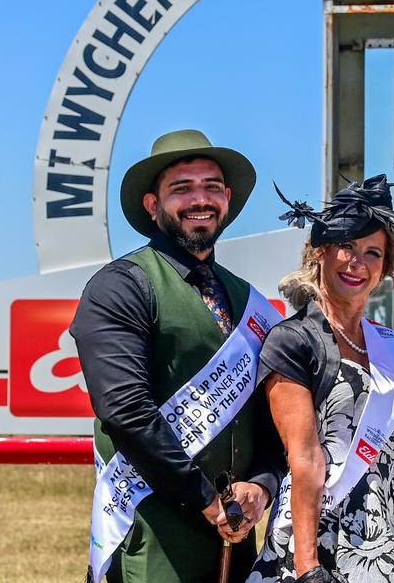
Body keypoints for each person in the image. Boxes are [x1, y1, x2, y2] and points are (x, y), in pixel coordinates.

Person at [73, 129, 285, 583]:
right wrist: (207, 499)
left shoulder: (247, 300)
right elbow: (125, 410)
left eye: (211, 186)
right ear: (153, 206)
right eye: (182, 189)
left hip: (235, 532)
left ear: (226, 198)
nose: (200, 199)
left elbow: (273, 414)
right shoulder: (120, 287)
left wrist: (262, 487)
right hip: (153, 528)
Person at [250, 175, 394, 583]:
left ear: (385, 268)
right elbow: (304, 458)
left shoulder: (393, 349)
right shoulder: (293, 340)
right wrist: (307, 566)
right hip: (320, 530)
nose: (358, 262)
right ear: (320, 252)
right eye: (347, 246)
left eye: (373, 252)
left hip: (390, 528)